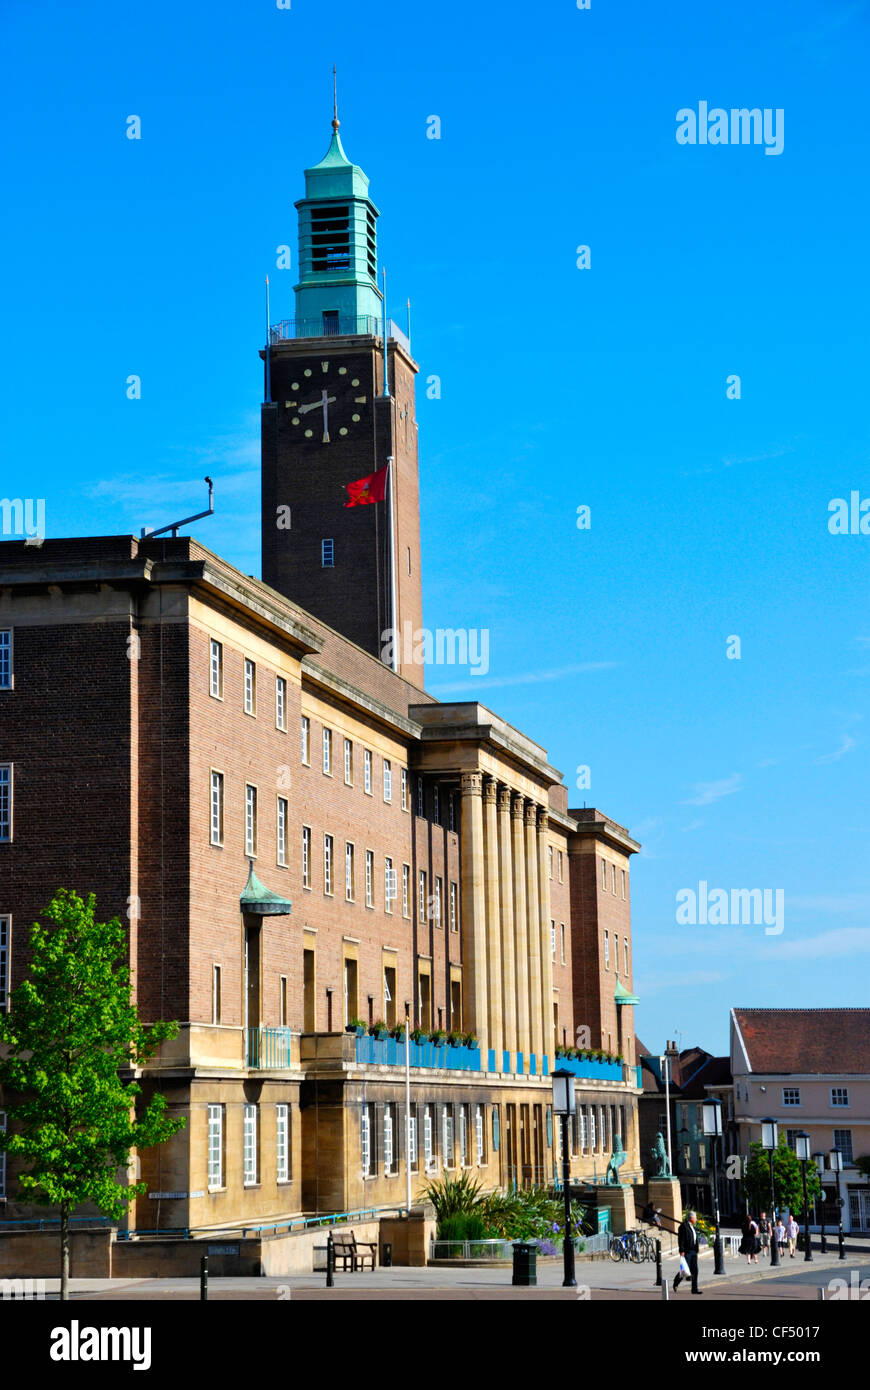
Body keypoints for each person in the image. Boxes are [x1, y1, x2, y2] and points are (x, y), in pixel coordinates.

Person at [674, 1210, 702, 1293]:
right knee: (685, 1270)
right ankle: (676, 1282)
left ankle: (694, 1289)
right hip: (687, 1251)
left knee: (695, 1271)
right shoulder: (683, 1226)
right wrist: (681, 1250)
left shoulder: (692, 1226)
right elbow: (681, 1239)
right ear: (691, 1218)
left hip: (693, 1251)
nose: (696, 1219)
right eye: (695, 1218)